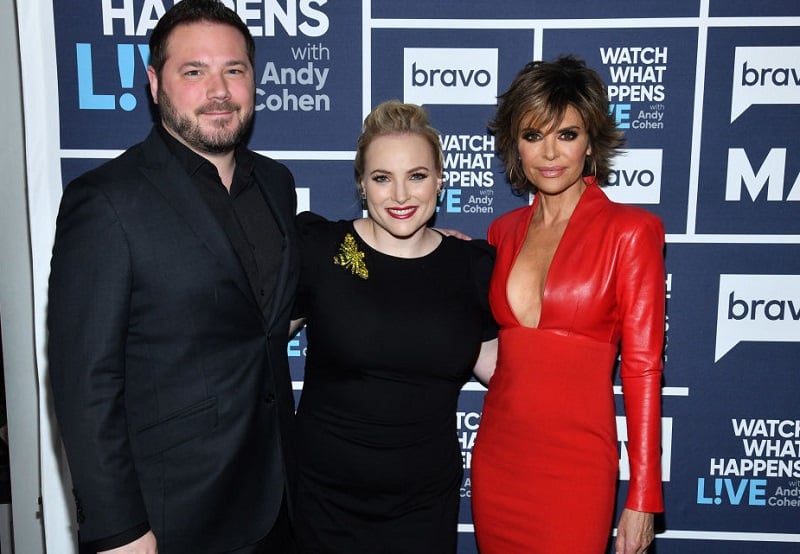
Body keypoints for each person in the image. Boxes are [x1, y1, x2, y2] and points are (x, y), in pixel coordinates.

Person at [47, 1, 298, 552]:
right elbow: (84, 382)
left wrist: (420, 246)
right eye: (194, 71)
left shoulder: (276, 184)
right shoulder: (106, 201)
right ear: (155, 82)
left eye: (234, 70)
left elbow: (262, 316)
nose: (219, 91)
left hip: (279, 502)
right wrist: (118, 529)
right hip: (172, 516)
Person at [471, 55, 665, 554]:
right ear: (515, 144)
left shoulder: (631, 232)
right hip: (498, 459)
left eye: (567, 134)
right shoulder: (502, 232)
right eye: (533, 135)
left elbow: (642, 369)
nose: (550, 152)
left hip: (576, 466)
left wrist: (643, 496)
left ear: (591, 141)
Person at [290, 100, 498, 553]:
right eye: (382, 178)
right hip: (323, 504)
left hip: (423, 509)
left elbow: (509, 376)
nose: (401, 195)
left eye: (417, 176)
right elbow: (249, 338)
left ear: (440, 180)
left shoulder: (472, 268)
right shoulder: (322, 250)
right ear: (362, 185)